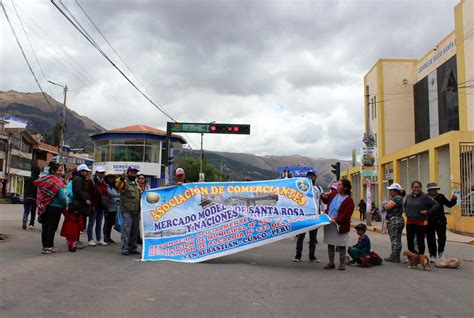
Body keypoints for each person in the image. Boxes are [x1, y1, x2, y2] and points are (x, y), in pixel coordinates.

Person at [321, 179, 355, 270]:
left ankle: (342, 264)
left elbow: (346, 215)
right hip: (329, 223)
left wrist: (336, 220)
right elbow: (325, 200)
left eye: (339, 185)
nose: (337, 187)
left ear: (345, 188)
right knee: (330, 242)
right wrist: (323, 196)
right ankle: (331, 262)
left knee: (341, 244)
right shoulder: (333, 194)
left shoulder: (349, 200)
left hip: (340, 226)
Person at [34, 162, 67, 254]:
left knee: (45, 227)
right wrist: (65, 205)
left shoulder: (44, 179)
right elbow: (62, 197)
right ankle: (49, 247)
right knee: (52, 228)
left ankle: (45, 247)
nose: (61, 172)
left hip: (44, 206)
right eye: (59, 170)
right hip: (55, 208)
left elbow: (40, 193)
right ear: (53, 171)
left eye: (62, 170)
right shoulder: (57, 182)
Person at [404, 181, 439, 255]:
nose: (416, 189)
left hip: (421, 222)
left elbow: (436, 205)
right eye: (414, 187)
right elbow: (405, 205)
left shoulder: (425, 197)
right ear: (411, 188)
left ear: (421, 188)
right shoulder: (408, 196)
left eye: (418, 187)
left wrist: (427, 212)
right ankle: (411, 256)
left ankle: (420, 256)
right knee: (409, 240)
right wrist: (407, 212)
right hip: (410, 222)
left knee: (420, 240)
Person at [293, 171, 322, 263]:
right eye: (308, 176)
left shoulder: (319, 189)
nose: (310, 178)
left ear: (315, 178)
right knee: (301, 236)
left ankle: (312, 256)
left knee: (313, 238)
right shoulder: (302, 189)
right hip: (304, 216)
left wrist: (322, 214)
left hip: (315, 217)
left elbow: (321, 202)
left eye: (312, 176)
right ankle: (298, 255)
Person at [426, 182, 457, 261]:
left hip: (441, 221)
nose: (433, 191)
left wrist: (454, 200)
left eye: (435, 189)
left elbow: (449, 204)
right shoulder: (425, 198)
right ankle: (432, 255)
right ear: (428, 190)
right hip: (429, 221)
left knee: (442, 238)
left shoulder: (441, 196)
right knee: (430, 238)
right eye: (432, 189)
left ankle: (441, 252)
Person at [116, 166, 141, 255]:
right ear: (128, 173)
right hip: (127, 210)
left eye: (135, 173)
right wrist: (121, 178)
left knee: (135, 231)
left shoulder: (136, 184)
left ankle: (132, 247)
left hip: (136, 211)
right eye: (132, 172)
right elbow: (118, 185)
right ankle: (125, 248)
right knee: (126, 230)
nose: (134, 174)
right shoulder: (124, 182)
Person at [61, 168, 86, 252]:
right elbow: (70, 194)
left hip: (73, 206)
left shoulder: (75, 182)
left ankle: (72, 244)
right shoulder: (71, 184)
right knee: (74, 227)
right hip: (73, 205)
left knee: (70, 235)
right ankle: (73, 244)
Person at [381, 183, 406, 262]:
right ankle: (395, 255)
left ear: (395, 191)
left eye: (391, 190)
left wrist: (384, 205)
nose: (389, 192)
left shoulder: (396, 198)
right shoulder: (399, 198)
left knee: (395, 239)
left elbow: (387, 207)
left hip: (395, 220)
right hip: (398, 220)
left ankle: (395, 256)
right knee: (397, 239)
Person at [71, 164, 92, 250]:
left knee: (79, 224)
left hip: (80, 204)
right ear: (81, 171)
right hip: (78, 204)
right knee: (77, 224)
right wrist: (85, 200)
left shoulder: (80, 179)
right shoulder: (78, 179)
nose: (87, 173)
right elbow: (78, 191)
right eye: (85, 171)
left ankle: (77, 240)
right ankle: (75, 241)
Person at [86, 166, 108, 246]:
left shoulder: (104, 182)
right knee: (91, 223)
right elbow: (88, 193)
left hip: (101, 205)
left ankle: (99, 239)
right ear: (97, 173)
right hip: (94, 206)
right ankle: (90, 239)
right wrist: (91, 204)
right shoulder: (91, 182)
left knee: (99, 223)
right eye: (101, 173)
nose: (102, 174)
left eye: (103, 173)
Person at [104, 172, 119, 244]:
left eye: (112, 177)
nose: (111, 179)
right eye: (109, 177)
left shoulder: (114, 186)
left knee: (111, 223)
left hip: (115, 207)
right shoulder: (106, 185)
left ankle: (108, 237)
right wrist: (119, 195)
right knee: (107, 223)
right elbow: (110, 193)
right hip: (108, 206)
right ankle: (105, 237)